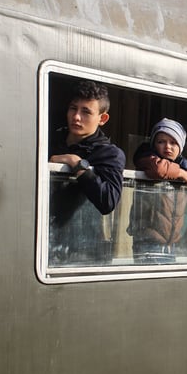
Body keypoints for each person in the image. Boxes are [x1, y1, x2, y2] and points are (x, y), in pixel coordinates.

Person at [48, 80, 125, 265]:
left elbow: (108, 201)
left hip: (83, 251)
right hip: (44, 240)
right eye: (73, 108)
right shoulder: (49, 139)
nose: (76, 117)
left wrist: (75, 163)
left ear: (102, 118)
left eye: (86, 112)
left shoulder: (109, 153)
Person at [127, 118, 187, 263]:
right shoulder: (147, 158)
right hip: (147, 242)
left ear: (180, 147)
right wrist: (181, 173)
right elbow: (159, 169)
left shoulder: (181, 165)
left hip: (171, 244)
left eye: (173, 142)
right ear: (153, 144)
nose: (167, 146)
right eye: (161, 141)